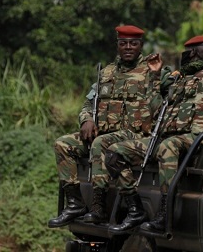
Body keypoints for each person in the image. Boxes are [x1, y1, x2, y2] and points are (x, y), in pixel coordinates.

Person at [48, 25, 164, 228]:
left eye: (133, 43)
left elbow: (160, 108)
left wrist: (155, 77)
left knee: (100, 143)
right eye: (123, 43)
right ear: (118, 46)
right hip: (104, 131)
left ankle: (98, 207)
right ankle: (75, 204)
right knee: (62, 144)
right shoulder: (106, 72)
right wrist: (86, 120)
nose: (128, 47)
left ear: (140, 46)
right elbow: (88, 103)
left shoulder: (153, 70)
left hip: (133, 134)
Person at [105, 36, 203, 235]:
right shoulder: (177, 80)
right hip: (163, 137)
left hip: (193, 138)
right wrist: (155, 75)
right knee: (114, 153)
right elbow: (155, 108)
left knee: (167, 146)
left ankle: (164, 212)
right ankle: (135, 209)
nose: (192, 55)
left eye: (199, 50)